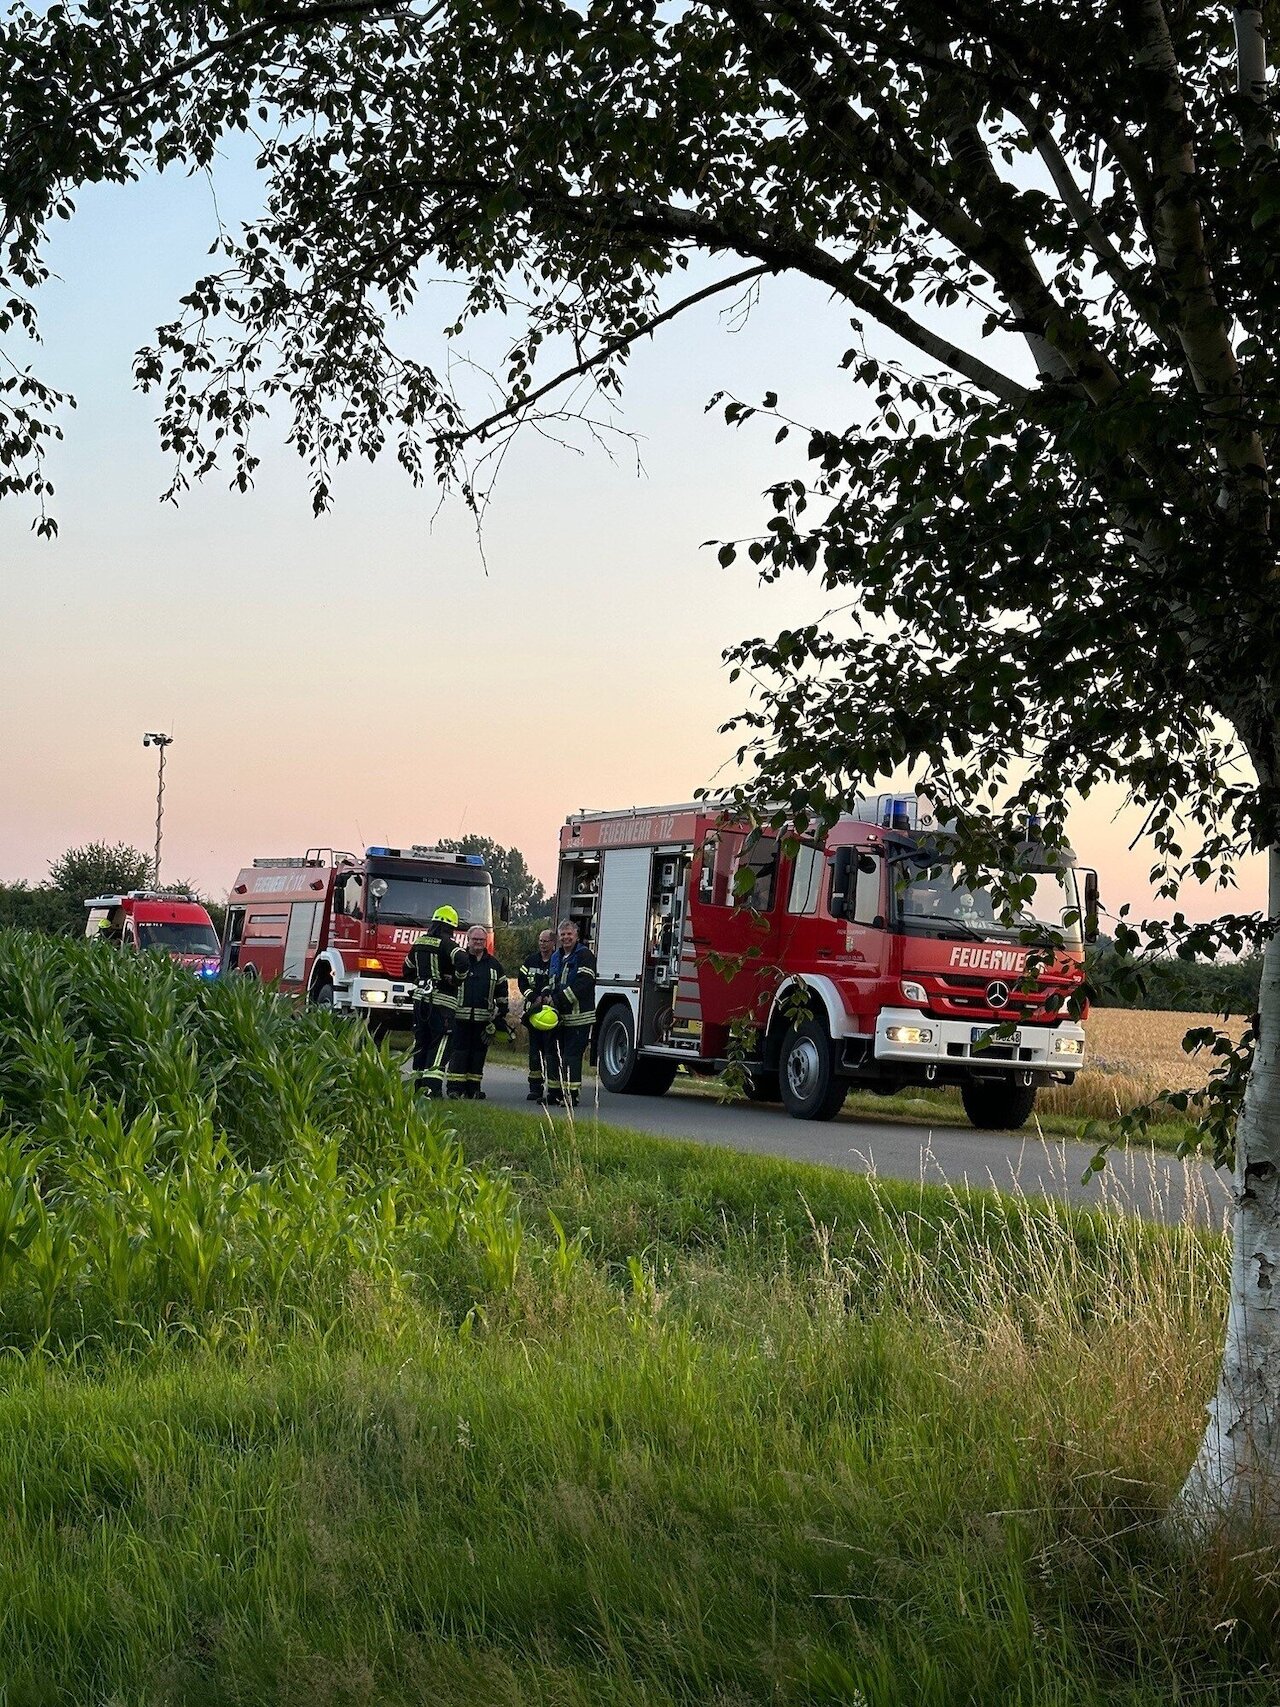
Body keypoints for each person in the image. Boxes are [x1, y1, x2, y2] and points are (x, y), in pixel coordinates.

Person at [402, 905, 468, 1098]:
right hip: (442, 1004)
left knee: (421, 1042)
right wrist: (455, 979)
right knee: (440, 1044)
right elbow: (463, 961)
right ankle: (432, 1089)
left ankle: (417, 1086)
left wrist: (419, 980)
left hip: (420, 1001)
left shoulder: (419, 942)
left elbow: (406, 969)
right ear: (451, 927)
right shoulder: (448, 944)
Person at [448, 925, 509, 1099]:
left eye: (481, 940)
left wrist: (501, 1013)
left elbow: (502, 990)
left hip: (483, 1020)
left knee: (478, 1055)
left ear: (485, 941)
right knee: (459, 1053)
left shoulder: (494, 965)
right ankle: (454, 1088)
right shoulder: (459, 960)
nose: (478, 943)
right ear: (468, 940)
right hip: (459, 1017)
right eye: (475, 939)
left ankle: (473, 1089)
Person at [543, 917, 597, 1107]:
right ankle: (554, 1093)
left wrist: (559, 999)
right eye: (563, 934)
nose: (566, 938)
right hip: (558, 1017)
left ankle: (571, 1095)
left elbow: (584, 983)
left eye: (569, 934)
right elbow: (552, 981)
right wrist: (546, 995)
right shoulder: (556, 956)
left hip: (579, 1017)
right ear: (558, 937)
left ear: (576, 936)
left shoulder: (584, 955)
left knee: (571, 1056)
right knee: (552, 1054)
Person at [517, 928, 556, 1101]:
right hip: (533, 1013)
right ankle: (535, 1087)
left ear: (553, 943)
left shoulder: (556, 961)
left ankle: (553, 1087)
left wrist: (548, 997)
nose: (542, 944)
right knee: (534, 1052)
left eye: (545, 941)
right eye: (540, 940)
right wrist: (533, 997)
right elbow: (522, 982)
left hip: (550, 1015)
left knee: (550, 1051)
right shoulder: (530, 960)